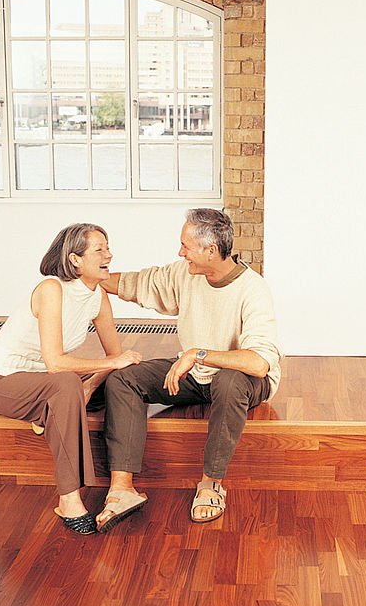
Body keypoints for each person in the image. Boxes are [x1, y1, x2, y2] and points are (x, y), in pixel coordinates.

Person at [99, 208, 283, 524]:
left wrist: (197, 354)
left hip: (243, 381)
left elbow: (259, 362)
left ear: (211, 251)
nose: (180, 252)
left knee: (228, 381)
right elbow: (138, 283)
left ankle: (211, 484)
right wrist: (92, 275)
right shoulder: (185, 274)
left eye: (186, 246)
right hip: (196, 374)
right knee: (124, 379)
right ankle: (122, 488)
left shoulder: (253, 289)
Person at [0, 223, 144, 535]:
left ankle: (47, 412)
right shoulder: (51, 290)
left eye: (108, 247)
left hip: (49, 384)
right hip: (4, 382)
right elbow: (56, 363)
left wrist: (92, 384)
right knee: (68, 381)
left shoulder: (98, 297)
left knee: (120, 379)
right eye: (99, 250)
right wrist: (103, 368)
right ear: (75, 260)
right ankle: (69, 499)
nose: (109, 255)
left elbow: (115, 360)